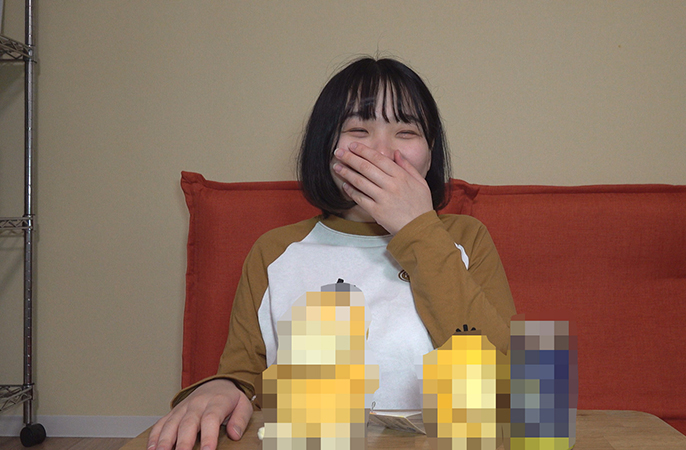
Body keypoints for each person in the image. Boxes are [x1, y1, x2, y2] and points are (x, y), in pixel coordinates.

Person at [148, 56, 516, 450]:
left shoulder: (465, 238)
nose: (382, 151)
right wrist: (222, 387)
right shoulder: (274, 252)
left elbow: (504, 381)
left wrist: (418, 230)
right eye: (358, 130)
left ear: (429, 155)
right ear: (325, 149)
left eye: (406, 132)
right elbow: (243, 376)